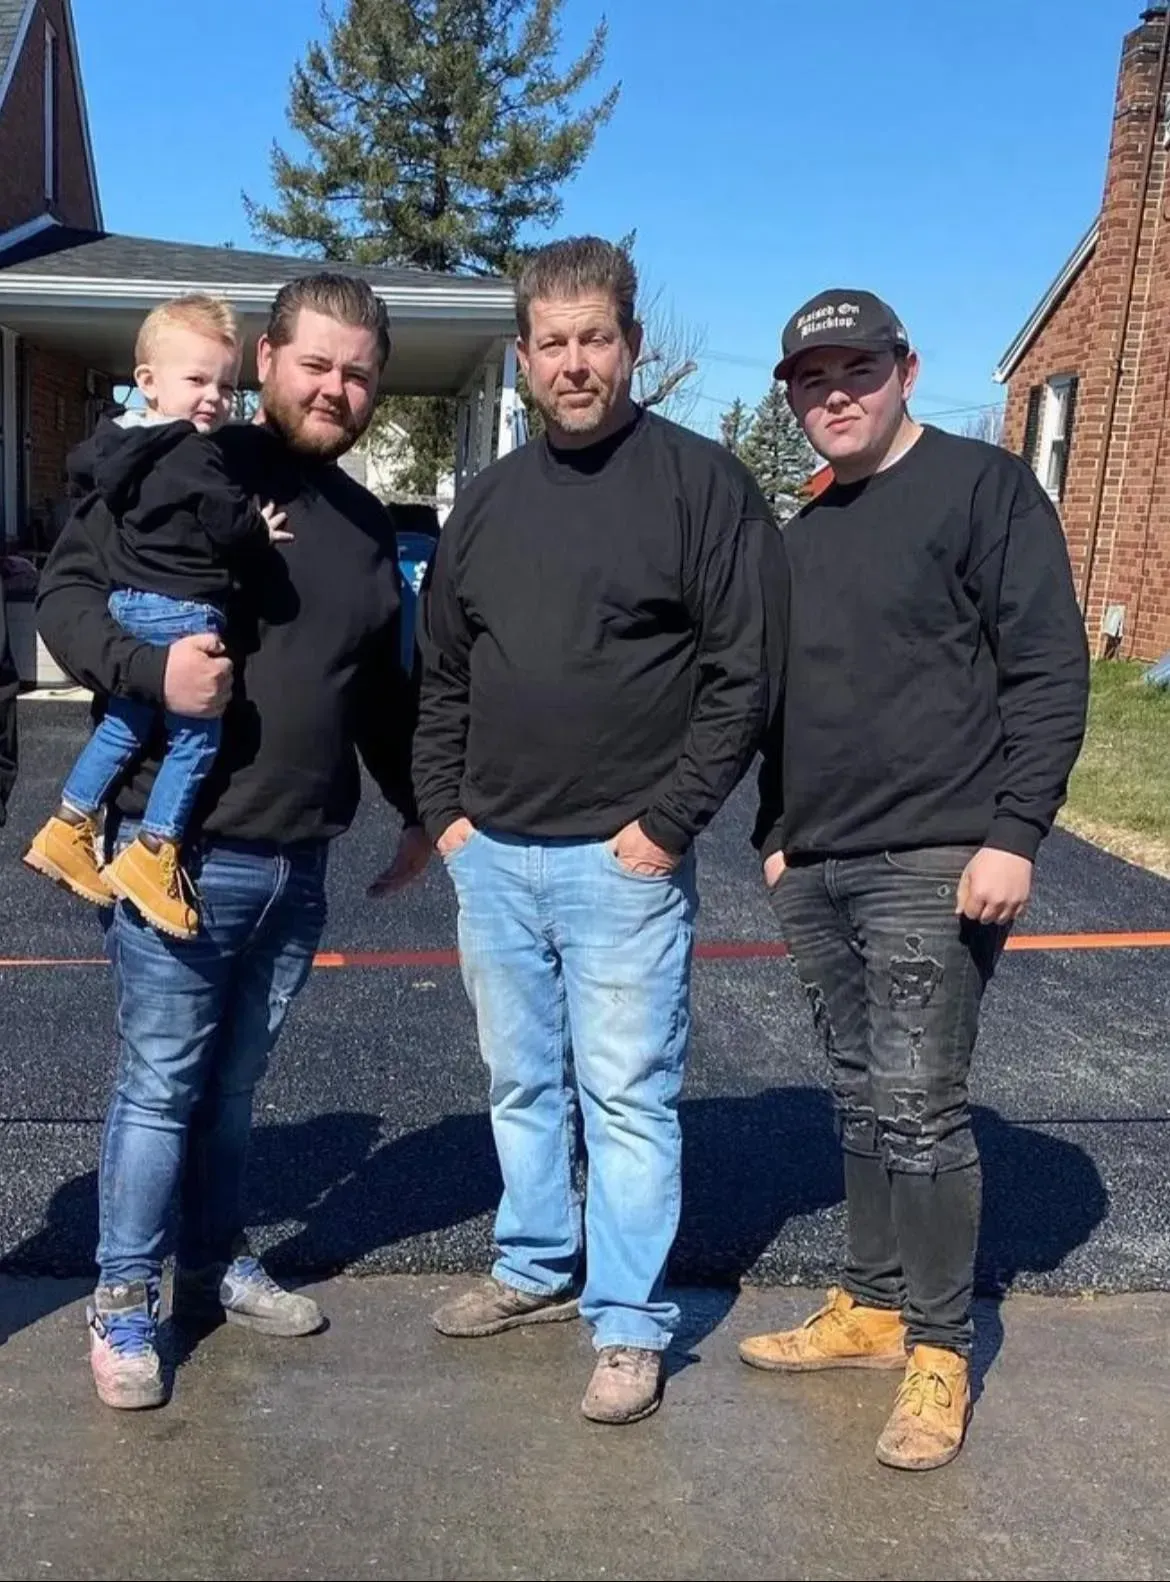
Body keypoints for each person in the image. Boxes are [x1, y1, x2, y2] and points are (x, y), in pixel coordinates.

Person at [36, 271, 431, 1411]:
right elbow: (69, 597)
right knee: (160, 1086)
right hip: (183, 853)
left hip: (299, 863)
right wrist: (149, 669)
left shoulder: (363, 525)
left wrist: (413, 807)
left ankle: (211, 1264)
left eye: (358, 371)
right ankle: (122, 1304)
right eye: (316, 362)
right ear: (267, 359)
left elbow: (376, 693)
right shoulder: (176, 453)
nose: (336, 386)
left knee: (233, 1087)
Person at [413, 236, 788, 1425]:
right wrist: (447, 816)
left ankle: (628, 1323)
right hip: (497, 856)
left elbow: (744, 672)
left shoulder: (700, 485)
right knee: (521, 1079)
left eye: (597, 339)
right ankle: (532, 1265)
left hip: (623, 861)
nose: (576, 362)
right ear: (524, 357)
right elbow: (445, 670)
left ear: (634, 346)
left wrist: (670, 825)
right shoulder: (486, 502)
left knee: (626, 1095)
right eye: (554, 343)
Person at [739, 289, 1089, 1470]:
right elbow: (785, 699)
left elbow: (1047, 667)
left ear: (906, 367)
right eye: (811, 378)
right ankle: (872, 1306)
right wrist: (775, 833)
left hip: (937, 857)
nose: (835, 393)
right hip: (819, 860)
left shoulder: (986, 490)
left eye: (859, 370)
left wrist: (1016, 832)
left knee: (921, 1100)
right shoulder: (809, 526)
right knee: (857, 1090)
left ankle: (939, 1351)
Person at [24, 295, 290, 937]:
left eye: (226, 386)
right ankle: (155, 851)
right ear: (148, 381)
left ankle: (69, 823)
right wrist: (260, 527)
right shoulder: (194, 451)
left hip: (132, 605)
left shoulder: (120, 447)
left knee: (125, 723)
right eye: (197, 380)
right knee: (198, 733)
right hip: (180, 609)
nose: (214, 399)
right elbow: (226, 520)